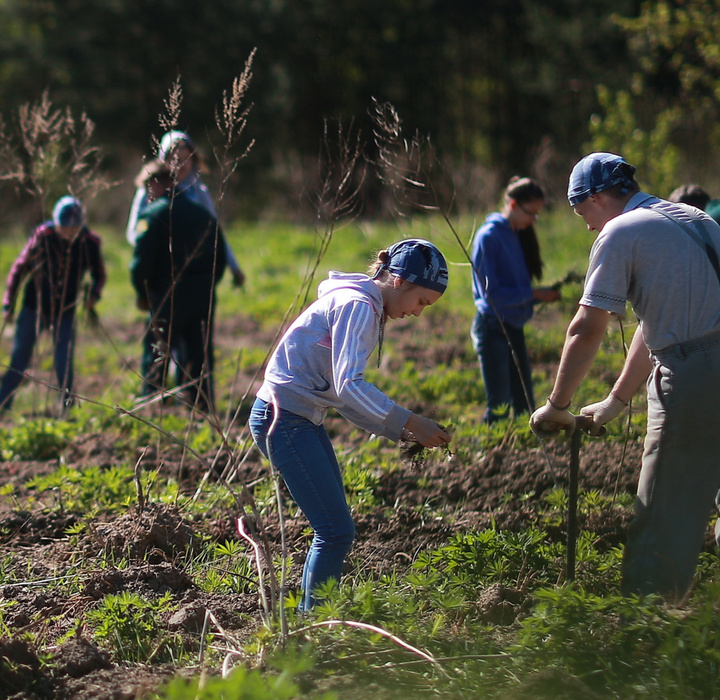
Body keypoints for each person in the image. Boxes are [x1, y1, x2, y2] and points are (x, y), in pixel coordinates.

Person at [530, 152, 720, 605]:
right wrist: (616, 401)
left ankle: (644, 634)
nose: (588, 227)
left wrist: (557, 405)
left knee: (663, 510)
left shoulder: (621, 231)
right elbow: (654, 324)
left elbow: (587, 327)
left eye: (583, 214)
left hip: (694, 379)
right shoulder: (695, 218)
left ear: (596, 198)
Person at [248, 239, 452, 610]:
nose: (419, 313)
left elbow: (343, 395)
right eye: (421, 301)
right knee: (335, 530)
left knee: (334, 529)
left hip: (298, 418)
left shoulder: (362, 303)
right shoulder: (358, 306)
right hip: (284, 420)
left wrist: (403, 431)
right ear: (401, 281)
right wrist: (409, 420)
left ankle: (315, 618)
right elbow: (349, 386)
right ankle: (316, 625)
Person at [130, 160, 227, 411]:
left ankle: (153, 405)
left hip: (166, 294)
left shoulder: (154, 215)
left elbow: (140, 265)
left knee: (157, 352)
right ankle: (201, 407)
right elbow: (221, 258)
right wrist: (206, 285)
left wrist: (143, 294)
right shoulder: (203, 214)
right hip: (202, 295)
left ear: (154, 184)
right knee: (198, 353)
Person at [0, 196, 106, 412]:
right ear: (56, 223)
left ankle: (66, 411)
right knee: (20, 358)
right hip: (34, 307)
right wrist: (9, 303)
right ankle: (3, 403)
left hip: (65, 311)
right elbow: (19, 269)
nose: (69, 233)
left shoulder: (89, 242)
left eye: (74, 228)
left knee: (63, 362)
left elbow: (99, 274)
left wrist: (93, 295)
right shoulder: (42, 237)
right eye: (65, 228)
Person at [470, 176, 560, 424]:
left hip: (514, 325)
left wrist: (539, 295)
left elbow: (514, 287)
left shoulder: (515, 233)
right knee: (499, 404)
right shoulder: (488, 237)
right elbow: (492, 297)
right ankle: (493, 455)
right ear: (512, 204)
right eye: (530, 213)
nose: (533, 220)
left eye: (536, 215)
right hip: (493, 327)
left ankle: (525, 447)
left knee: (524, 401)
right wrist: (534, 294)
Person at [126, 130, 245, 287]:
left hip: (195, 272)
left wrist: (233, 266)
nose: (180, 165)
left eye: (185, 159)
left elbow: (215, 232)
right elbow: (134, 233)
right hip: (161, 275)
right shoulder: (149, 190)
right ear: (163, 160)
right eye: (173, 158)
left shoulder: (199, 193)